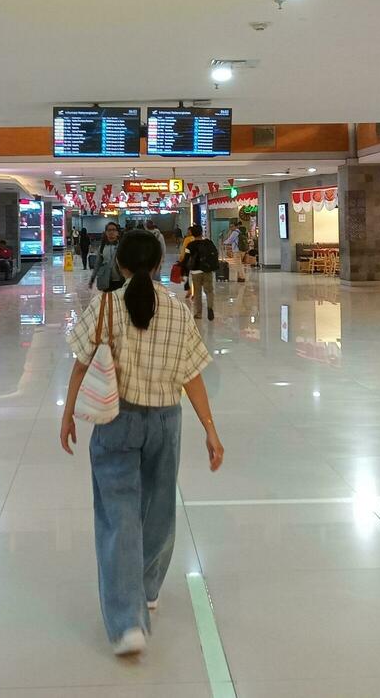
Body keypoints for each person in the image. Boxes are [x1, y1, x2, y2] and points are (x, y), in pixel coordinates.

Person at [60, 230, 224, 656]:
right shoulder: (177, 309)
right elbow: (192, 374)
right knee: (157, 512)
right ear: (157, 265)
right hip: (166, 423)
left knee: (118, 518)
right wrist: (210, 427)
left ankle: (128, 621)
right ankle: (148, 589)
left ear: (120, 265)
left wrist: (67, 415)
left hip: (117, 421)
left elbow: (81, 365)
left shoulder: (104, 306)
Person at [185, 224, 219, 320]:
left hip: (195, 272)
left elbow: (186, 259)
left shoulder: (190, 245)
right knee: (209, 291)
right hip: (207, 270)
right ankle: (210, 307)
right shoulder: (208, 243)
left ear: (192, 234)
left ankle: (198, 313)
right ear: (202, 232)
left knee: (197, 292)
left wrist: (185, 271)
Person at [93, 221, 125, 291]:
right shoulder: (102, 247)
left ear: (117, 232)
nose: (111, 232)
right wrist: (92, 278)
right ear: (106, 232)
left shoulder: (123, 246)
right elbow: (98, 264)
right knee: (108, 300)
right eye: (109, 230)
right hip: (106, 280)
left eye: (114, 230)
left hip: (121, 280)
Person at [223, 218, 248, 282]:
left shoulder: (234, 232)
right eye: (230, 226)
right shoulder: (240, 232)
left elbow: (230, 240)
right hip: (242, 250)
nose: (231, 228)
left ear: (235, 226)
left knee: (238, 265)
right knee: (239, 264)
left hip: (237, 251)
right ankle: (239, 277)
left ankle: (242, 277)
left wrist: (224, 242)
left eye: (232, 226)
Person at [179, 225, 196, 296]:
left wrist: (181, 258)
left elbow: (184, 249)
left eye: (189, 231)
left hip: (187, 259)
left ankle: (189, 290)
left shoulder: (187, 239)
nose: (188, 232)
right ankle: (192, 291)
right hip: (194, 260)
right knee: (192, 276)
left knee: (187, 275)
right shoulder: (196, 238)